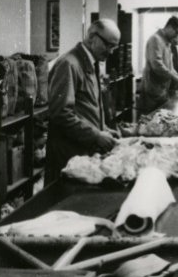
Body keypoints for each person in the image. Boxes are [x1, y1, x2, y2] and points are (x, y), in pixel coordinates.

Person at [45, 19, 121, 184]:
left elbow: (86, 106)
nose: (111, 52)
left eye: (114, 47)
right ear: (92, 36)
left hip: (82, 154)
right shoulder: (68, 64)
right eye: (108, 45)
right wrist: (96, 135)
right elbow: (60, 113)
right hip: (68, 157)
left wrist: (103, 129)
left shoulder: (91, 62)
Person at [139, 16, 178, 113]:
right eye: (176, 32)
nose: (176, 36)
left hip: (161, 91)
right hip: (152, 92)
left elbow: (169, 66)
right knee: (150, 120)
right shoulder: (155, 39)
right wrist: (175, 78)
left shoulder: (166, 42)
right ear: (169, 27)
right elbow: (157, 65)